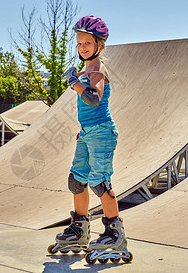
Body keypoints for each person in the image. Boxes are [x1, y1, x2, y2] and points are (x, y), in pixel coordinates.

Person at [55, 15, 127, 252]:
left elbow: (93, 99)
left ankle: (114, 233)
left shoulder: (97, 70)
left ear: (99, 44)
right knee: (76, 180)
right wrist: (83, 131)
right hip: (88, 132)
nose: (82, 47)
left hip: (103, 132)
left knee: (99, 182)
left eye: (87, 43)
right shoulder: (87, 70)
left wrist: (74, 82)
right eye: (79, 43)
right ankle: (80, 228)